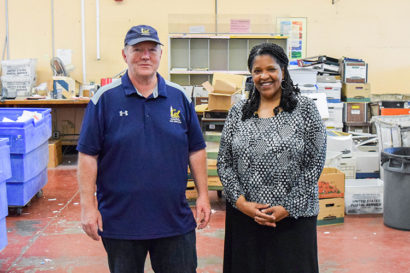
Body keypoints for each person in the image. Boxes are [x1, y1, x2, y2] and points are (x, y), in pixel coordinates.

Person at [76, 24, 211, 273]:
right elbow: (88, 155)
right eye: (137, 49)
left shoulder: (179, 96)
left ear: (160, 54)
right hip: (120, 221)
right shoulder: (104, 99)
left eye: (152, 49)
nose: (145, 56)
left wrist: (203, 194)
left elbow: (196, 149)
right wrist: (88, 207)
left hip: (173, 219)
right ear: (124, 54)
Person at [217, 42, 326, 273]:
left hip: (293, 220)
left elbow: (314, 164)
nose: (264, 76)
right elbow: (224, 163)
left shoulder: (304, 109)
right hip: (245, 219)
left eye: (271, 69)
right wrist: (240, 203)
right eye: (257, 71)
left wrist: (287, 207)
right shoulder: (239, 112)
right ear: (251, 75)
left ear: (283, 71)